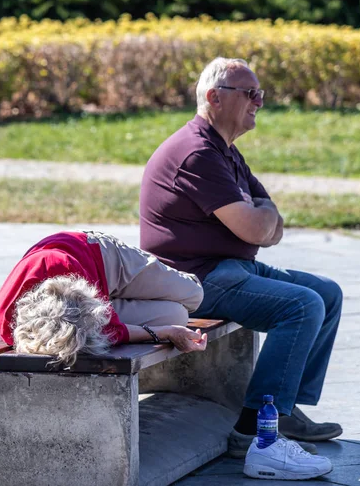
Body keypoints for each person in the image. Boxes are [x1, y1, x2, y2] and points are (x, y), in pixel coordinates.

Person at [139, 57, 343, 470]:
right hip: (194, 279)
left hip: (230, 267)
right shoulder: (197, 153)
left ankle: (285, 412)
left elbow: (273, 224)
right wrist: (259, 219)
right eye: (250, 94)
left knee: (327, 293)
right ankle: (254, 431)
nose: (258, 102)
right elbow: (256, 227)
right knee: (301, 306)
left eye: (260, 94)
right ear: (215, 97)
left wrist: (261, 219)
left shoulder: (225, 150)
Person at [0, 230, 207, 366]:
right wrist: (169, 331)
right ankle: (115, 304)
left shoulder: (64, 269)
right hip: (88, 297)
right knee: (177, 316)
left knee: (193, 296)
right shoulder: (12, 326)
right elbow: (109, 331)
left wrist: (111, 323)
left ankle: (117, 296)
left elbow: (108, 329)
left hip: (103, 259)